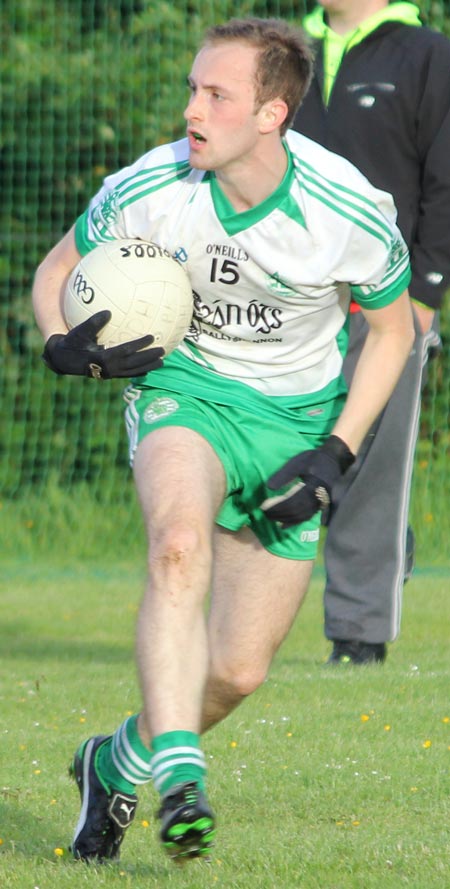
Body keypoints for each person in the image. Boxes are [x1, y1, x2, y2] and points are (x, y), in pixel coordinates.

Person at [32, 17, 414, 863]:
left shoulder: (346, 208)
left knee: (239, 671)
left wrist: (336, 453)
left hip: (296, 420)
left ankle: (115, 761)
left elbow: (391, 333)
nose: (192, 110)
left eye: (216, 95)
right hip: (188, 390)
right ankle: (180, 781)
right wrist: (61, 340)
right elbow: (56, 272)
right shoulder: (153, 184)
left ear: (273, 112)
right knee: (176, 548)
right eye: (192, 88)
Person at [293, 0, 450, 665]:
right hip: (287, 307)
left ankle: (358, 637)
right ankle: (383, 553)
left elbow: (447, 179)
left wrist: (426, 293)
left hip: (385, 310)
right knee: (285, 457)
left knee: (369, 468)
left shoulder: (427, 54)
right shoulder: (281, 50)